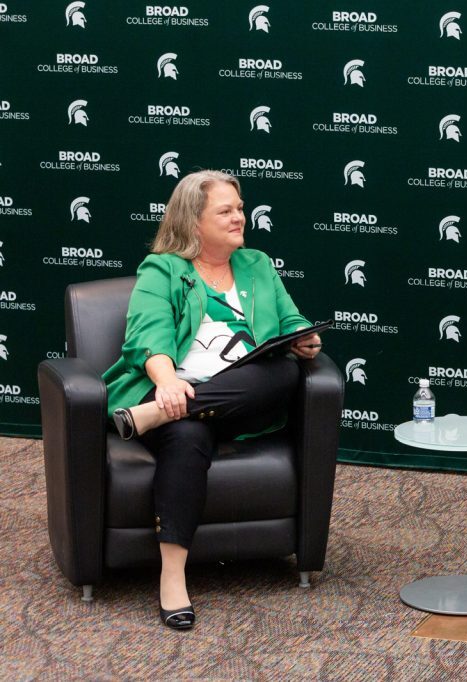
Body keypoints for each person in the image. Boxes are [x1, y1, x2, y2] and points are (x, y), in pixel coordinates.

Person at [102, 170, 323, 630]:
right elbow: (148, 337)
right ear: (193, 221)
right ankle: (172, 578)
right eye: (226, 211)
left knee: (283, 369)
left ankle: (147, 418)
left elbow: (291, 319)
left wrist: (305, 341)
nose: (240, 217)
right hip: (174, 395)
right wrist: (166, 384)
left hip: (239, 400)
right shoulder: (162, 269)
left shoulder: (257, 265)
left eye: (239, 208)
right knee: (185, 436)